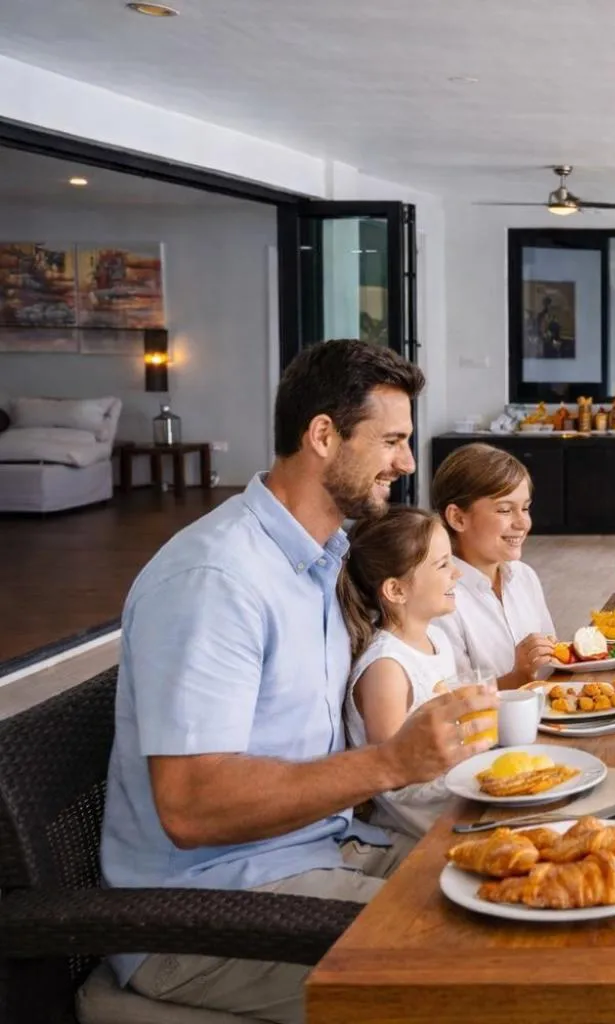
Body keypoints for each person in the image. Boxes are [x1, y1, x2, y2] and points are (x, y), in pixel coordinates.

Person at [98, 339, 498, 1023]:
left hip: (320, 850)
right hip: (203, 914)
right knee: (487, 971)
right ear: (322, 436)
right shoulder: (217, 579)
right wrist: (389, 762)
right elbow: (191, 806)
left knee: (530, 888)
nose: (405, 463)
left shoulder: (321, 560)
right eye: (392, 441)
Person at [339, 507, 465, 838]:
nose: (457, 573)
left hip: (460, 798)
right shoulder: (387, 668)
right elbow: (396, 778)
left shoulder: (436, 638)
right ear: (396, 590)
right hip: (421, 831)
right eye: (443, 565)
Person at [432, 442, 558, 688]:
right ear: (458, 518)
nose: (523, 523)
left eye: (525, 508)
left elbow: (553, 666)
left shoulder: (524, 576)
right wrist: (519, 677)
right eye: (504, 510)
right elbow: (454, 702)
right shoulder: (440, 599)